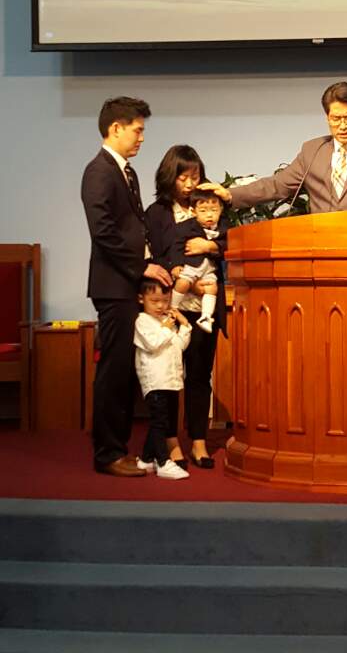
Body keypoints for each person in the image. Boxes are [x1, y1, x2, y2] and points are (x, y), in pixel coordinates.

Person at [81, 96, 171, 478]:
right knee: (114, 372)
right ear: (115, 128)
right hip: (113, 285)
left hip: (127, 282)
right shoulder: (99, 171)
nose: (142, 137)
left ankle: (118, 448)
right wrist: (142, 266)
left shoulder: (125, 171)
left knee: (125, 371)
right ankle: (107, 454)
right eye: (137, 130)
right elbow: (103, 233)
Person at [204, 81, 347, 216]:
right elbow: (277, 185)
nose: (342, 126)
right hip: (320, 247)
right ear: (327, 117)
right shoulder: (313, 151)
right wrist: (230, 194)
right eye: (335, 118)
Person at [145, 145, 228, 470]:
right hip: (170, 305)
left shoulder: (210, 205)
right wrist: (184, 279)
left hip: (204, 306)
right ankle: (169, 442)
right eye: (183, 178)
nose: (190, 184)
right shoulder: (157, 213)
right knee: (169, 376)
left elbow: (229, 242)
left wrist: (211, 246)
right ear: (170, 177)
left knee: (199, 375)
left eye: (195, 176)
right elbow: (153, 257)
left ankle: (198, 441)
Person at [134, 279, 191, 480]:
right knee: (159, 421)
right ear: (141, 299)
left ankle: (146, 459)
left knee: (163, 421)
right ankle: (163, 461)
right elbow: (153, 343)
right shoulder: (142, 321)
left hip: (171, 380)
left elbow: (179, 346)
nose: (160, 306)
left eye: (165, 301)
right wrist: (166, 327)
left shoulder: (166, 321)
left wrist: (184, 326)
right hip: (155, 381)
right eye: (154, 301)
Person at [170, 188, 226, 335]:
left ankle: (206, 317)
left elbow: (228, 245)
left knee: (212, 288)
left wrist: (209, 246)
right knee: (182, 282)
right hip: (191, 265)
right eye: (203, 211)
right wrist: (176, 265)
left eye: (214, 210)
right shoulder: (186, 227)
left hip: (210, 268)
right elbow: (176, 246)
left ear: (221, 210)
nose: (209, 215)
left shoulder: (224, 227)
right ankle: (172, 308)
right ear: (193, 212)